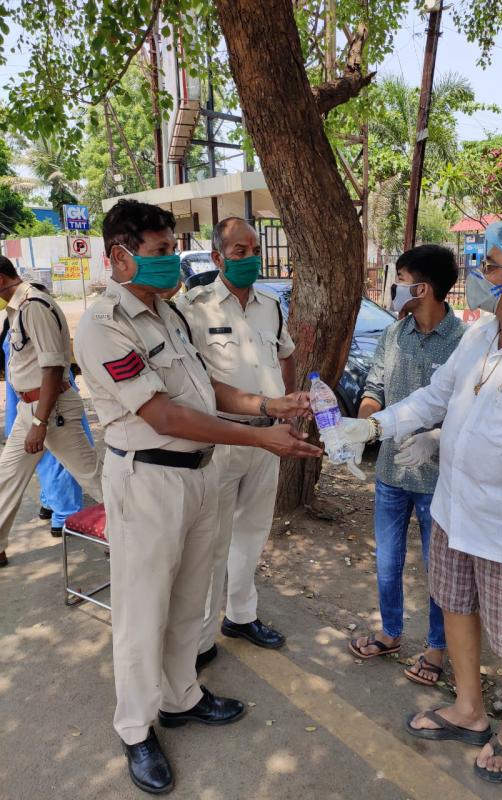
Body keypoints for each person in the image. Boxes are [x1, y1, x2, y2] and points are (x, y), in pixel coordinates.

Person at [339, 221, 502, 784]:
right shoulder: (481, 334)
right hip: (454, 514)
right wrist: (374, 427)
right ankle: (469, 710)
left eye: (493, 266)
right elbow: (436, 396)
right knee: (456, 608)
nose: (481, 275)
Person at [74, 199, 321, 795]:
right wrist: (260, 439)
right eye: (158, 254)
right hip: (148, 480)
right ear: (120, 256)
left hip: (198, 475)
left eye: (168, 250)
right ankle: (135, 727)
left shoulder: (167, 314)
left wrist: (269, 406)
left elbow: (206, 389)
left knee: (189, 597)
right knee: (143, 610)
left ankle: (182, 696)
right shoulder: (105, 323)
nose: (169, 264)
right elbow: (164, 414)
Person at [178, 216, 296, 667]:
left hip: (267, 440)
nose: (250, 258)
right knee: (213, 540)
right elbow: (194, 379)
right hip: (221, 438)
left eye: (254, 249)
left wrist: (284, 403)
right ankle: (202, 638)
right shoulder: (195, 307)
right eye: (239, 252)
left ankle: (241, 616)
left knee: (252, 532)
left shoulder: (270, 304)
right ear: (218, 257)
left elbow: (284, 355)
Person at [348, 246, 465, 690]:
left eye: (399, 279)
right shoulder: (394, 336)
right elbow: (375, 386)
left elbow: (471, 409)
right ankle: (390, 633)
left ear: (422, 288)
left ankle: (437, 647)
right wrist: (362, 427)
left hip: (440, 481)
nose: (392, 288)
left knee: (441, 568)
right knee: (388, 561)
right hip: (392, 475)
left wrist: (438, 437)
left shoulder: (464, 342)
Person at [0, 257, 103, 567]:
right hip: (29, 408)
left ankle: (137, 531)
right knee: (7, 477)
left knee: (93, 477)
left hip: (51, 411)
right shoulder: (17, 308)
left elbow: (53, 368)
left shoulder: (34, 306)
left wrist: (39, 422)